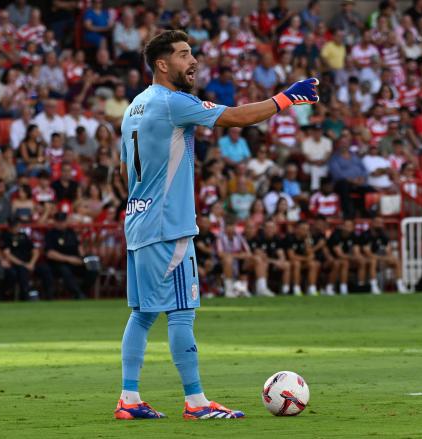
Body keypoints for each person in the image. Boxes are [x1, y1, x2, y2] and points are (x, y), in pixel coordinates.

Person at [115, 30, 319, 420]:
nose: (192, 61)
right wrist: (286, 98)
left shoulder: (134, 107)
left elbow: (124, 168)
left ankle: (129, 398)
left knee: (142, 313)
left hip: (138, 222)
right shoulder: (175, 102)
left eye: (192, 53)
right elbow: (235, 117)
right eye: (182, 54)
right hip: (168, 228)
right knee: (182, 311)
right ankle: (196, 403)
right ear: (162, 64)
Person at [44, 212, 97, 299]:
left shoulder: (71, 232)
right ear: (55, 222)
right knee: (65, 270)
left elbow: (78, 246)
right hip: (58, 263)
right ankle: (77, 294)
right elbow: (50, 254)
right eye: (59, 221)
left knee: (92, 268)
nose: (61, 223)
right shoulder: (51, 234)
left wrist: (82, 258)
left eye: (63, 221)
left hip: (75, 261)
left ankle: (82, 291)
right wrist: (69, 259)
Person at [0, 218, 51, 300]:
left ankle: (49, 296)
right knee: (22, 271)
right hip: (17, 264)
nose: (17, 227)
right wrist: (24, 264)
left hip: (29, 262)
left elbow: (35, 250)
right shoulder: (5, 236)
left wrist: (32, 263)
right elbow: (7, 254)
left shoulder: (23, 235)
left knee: (45, 269)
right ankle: (26, 296)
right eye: (15, 226)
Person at [360, 217, 408, 294]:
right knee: (373, 261)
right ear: (372, 224)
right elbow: (367, 252)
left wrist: (387, 257)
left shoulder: (383, 235)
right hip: (367, 259)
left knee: (395, 260)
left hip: (381, 259)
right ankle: (374, 286)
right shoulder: (366, 235)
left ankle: (400, 286)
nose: (380, 225)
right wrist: (381, 258)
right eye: (378, 223)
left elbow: (388, 250)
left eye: (381, 223)